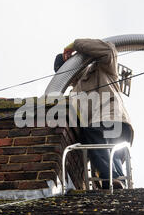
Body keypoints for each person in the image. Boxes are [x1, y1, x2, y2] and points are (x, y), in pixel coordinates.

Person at [54, 38, 134, 189]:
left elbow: (109, 50)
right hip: (101, 133)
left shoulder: (100, 68)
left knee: (91, 134)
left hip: (112, 120)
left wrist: (75, 45)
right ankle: (114, 181)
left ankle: (110, 179)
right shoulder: (73, 93)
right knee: (100, 145)